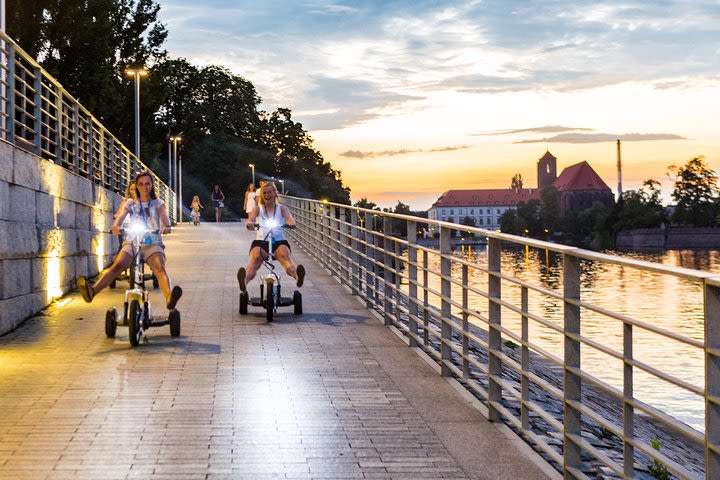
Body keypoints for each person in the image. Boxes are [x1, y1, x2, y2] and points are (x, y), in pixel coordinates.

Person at [77, 171, 183, 310]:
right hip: (133, 241)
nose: (144, 187)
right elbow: (121, 216)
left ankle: (169, 297)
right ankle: (92, 291)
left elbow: (164, 218)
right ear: (137, 186)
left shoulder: (158, 203)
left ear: (151, 186)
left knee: (159, 267)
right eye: (141, 184)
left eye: (147, 184)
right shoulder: (131, 203)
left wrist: (166, 227)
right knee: (118, 265)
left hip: (152, 242)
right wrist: (116, 225)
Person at [237, 181, 305, 292]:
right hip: (261, 241)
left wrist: (291, 222)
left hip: (278, 241)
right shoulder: (258, 208)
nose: (267, 195)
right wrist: (250, 223)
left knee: (284, 256)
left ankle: (297, 276)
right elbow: (251, 219)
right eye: (265, 193)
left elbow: (289, 218)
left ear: (275, 193)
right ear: (262, 195)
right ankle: (244, 281)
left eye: (270, 192)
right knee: (255, 258)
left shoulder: (282, 208)